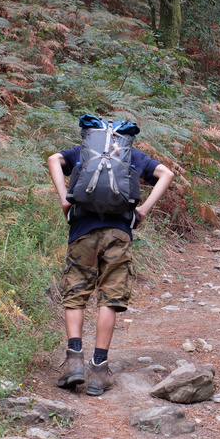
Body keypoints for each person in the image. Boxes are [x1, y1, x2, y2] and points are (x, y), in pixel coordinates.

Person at [47, 132, 174, 396]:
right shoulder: (132, 156)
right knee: (109, 299)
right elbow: (167, 175)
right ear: (123, 140)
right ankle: (99, 370)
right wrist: (143, 210)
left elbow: (53, 159)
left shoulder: (83, 152)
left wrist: (64, 199)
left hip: (82, 230)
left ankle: (73, 362)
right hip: (118, 233)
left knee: (75, 297)